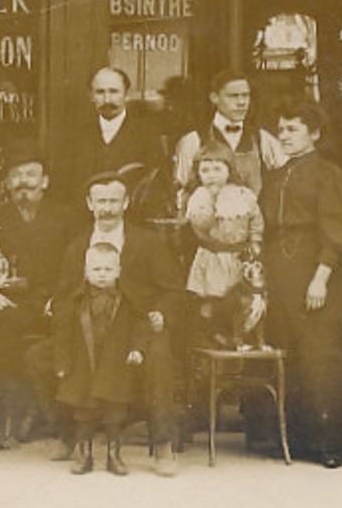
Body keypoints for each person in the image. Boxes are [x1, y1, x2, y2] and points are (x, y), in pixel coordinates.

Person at [258, 101, 342, 468]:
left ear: (314, 133)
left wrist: (321, 278)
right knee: (294, 353)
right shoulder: (277, 175)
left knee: (323, 356)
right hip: (282, 273)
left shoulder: (329, 174)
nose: (285, 136)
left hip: (316, 273)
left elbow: (339, 232)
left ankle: (332, 443)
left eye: (293, 129)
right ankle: (297, 439)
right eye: (281, 129)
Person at [53, 172, 184, 475]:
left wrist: (162, 314)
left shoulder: (147, 242)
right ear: (90, 204)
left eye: (114, 201)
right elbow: (63, 294)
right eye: (101, 201)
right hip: (91, 326)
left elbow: (173, 289)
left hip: (137, 325)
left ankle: (163, 443)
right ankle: (71, 436)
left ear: (125, 203)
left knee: (160, 356)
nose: (108, 208)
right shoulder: (77, 246)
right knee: (46, 356)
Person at [0, 145, 80, 441]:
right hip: (9, 302)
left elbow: (78, 266)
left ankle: (44, 412)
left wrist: (59, 299)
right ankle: (15, 410)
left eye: (31, 175)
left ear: (45, 181)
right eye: (16, 176)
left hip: (54, 304)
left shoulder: (67, 217)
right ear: (7, 183)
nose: (24, 182)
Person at [53, 243, 146, 476]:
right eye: (96, 270)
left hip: (115, 362)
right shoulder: (74, 301)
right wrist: (62, 363)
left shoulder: (128, 300)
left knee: (115, 410)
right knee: (84, 411)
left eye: (108, 269)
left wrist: (137, 349)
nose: (102, 274)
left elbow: (140, 325)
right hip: (84, 362)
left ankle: (114, 455)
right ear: (85, 271)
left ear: (118, 271)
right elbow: (62, 333)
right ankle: (85, 455)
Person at [182, 146, 264, 349]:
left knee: (240, 300)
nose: (211, 176)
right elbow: (201, 226)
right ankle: (211, 335)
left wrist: (255, 241)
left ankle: (239, 337)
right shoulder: (199, 197)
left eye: (217, 169)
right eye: (205, 170)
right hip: (213, 256)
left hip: (240, 257)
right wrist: (212, 201)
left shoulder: (243, 195)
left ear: (229, 170)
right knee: (212, 299)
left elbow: (256, 220)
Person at [56, 67, 168, 204]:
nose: (107, 99)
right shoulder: (75, 135)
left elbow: (157, 184)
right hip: (84, 219)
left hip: (131, 219)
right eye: (100, 92)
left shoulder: (147, 134)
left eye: (114, 92)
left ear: (127, 94)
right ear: (91, 96)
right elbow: (64, 185)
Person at [172, 70, 284, 200]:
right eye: (233, 96)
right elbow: (181, 189)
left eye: (245, 95)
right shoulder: (193, 140)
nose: (241, 102)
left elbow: (285, 178)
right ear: (214, 98)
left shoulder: (262, 139)